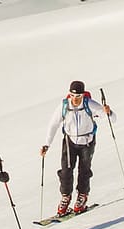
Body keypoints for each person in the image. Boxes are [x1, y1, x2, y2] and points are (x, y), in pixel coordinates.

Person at [41, 79, 115, 217]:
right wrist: (47, 144)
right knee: (66, 171)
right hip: (70, 142)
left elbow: (111, 119)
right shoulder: (64, 106)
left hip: (87, 142)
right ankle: (66, 197)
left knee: (84, 170)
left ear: (82, 95)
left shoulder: (90, 104)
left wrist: (108, 113)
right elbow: (53, 124)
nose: (75, 99)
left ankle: (82, 196)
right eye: (73, 96)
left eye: (78, 96)